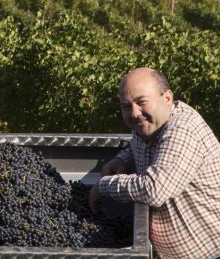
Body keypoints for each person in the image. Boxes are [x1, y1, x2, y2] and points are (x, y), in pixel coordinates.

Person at [89, 67, 220, 259]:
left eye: (141, 102)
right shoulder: (150, 124)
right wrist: (122, 159)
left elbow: (154, 190)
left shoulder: (183, 131)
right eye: (126, 106)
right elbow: (139, 144)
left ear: (167, 98)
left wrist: (103, 186)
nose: (134, 113)